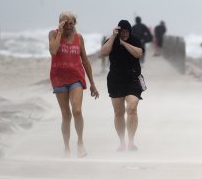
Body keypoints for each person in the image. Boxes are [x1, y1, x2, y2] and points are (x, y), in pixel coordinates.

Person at [48, 11, 99, 158]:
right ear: (60, 23)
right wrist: (60, 32)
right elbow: (53, 50)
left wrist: (92, 83)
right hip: (59, 79)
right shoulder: (53, 34)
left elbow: (85, 61)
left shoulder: (79, 38)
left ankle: (80, 143)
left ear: (74, 24)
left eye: (71, 23)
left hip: (76, 78)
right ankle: (66, 147)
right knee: (66, 115)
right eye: (65, 23)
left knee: (77, 111)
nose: (68, 26)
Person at [101, 20, 144, 151]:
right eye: (122, 31)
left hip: (133, 79)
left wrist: (124, 43)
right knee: (119, 113)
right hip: (116, 80)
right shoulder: (111, 40)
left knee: (132, 108)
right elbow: (104, 52)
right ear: (118, 31)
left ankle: (131, 141)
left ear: (130, 31)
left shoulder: (135, 40)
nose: (125, 34)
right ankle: (122, 142)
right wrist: (114, 37)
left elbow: (138, 53)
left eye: (127, 31)